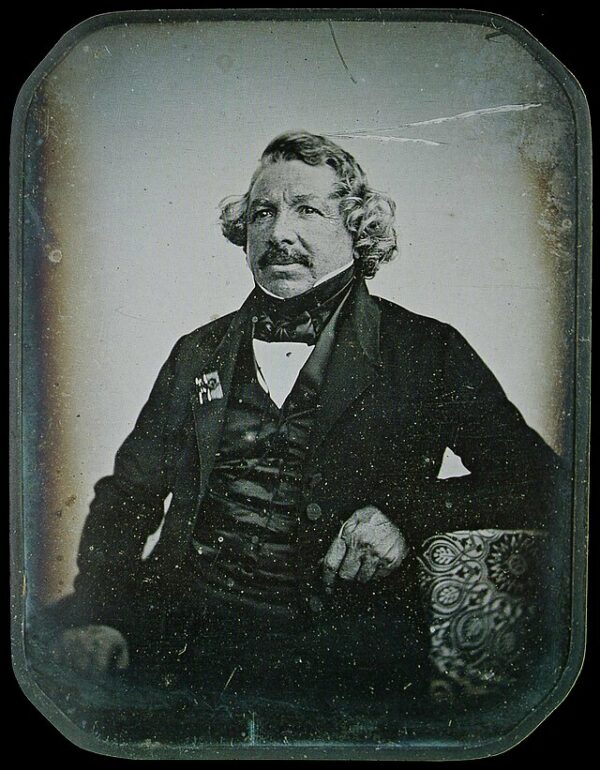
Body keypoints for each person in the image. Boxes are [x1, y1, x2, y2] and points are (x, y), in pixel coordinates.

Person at [41, 131, 563, 707]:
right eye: (262, 213)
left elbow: (544, 483)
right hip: (181, 645)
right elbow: (128, 495)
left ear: (358, 229)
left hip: (345, 665)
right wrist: (103, 615)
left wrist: (406, 515)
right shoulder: (196, 352)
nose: (278, 233)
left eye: (307, 210)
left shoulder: (425, 350)